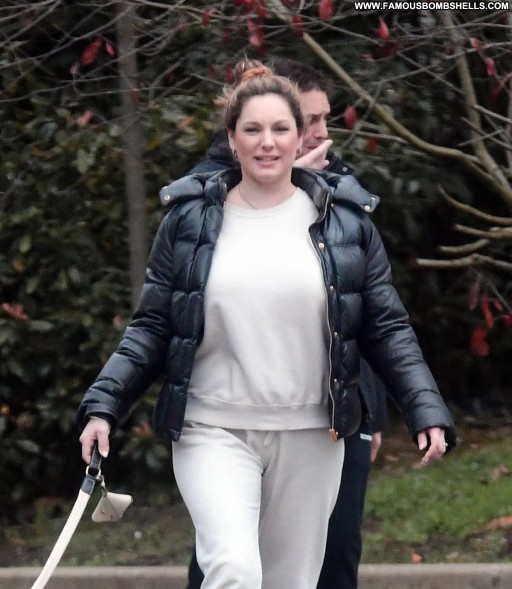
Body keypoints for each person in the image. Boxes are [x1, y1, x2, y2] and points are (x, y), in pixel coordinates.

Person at [77, 59, 456, 589]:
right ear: (232, 139)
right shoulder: (189, 221)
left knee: (290, 582)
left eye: (281, 129)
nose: (267, 142)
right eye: (252, 129)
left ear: (300, 137)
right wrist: (104, 405)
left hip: (312, 434)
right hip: (212, 428)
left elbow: (386, 328)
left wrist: (424, 409)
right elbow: (151, 326)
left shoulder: (344, 222)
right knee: (233, 569)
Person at [184, 58, 387, 589]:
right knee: (230, 562)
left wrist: (372, 412)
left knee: (328, 558)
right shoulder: (203, 200)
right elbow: (158, 317)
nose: (319, 132)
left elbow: (366, 313)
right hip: (222, 417)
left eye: (320, 120)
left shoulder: (343, 196)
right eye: (308, 119)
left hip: (327, 415)